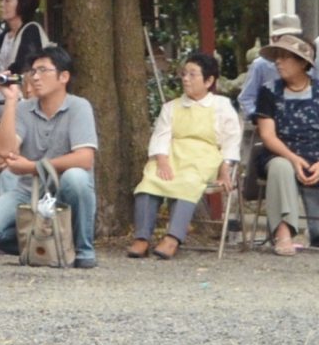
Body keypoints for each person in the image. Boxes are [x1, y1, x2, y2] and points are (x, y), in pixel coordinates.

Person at [0, 46, 99, 267]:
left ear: (63, 77)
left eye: (43, 70)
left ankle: (83, 250)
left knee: (76, 177)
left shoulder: (79, 107)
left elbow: (84, 158)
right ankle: (44, 245)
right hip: (28, 194)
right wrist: (11, 101)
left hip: (63, 194)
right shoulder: (23, 108)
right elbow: (6, 151)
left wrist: (33, 166)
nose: (35, 77)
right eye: (33, 71)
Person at [129, 50, 239, 259]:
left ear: (208, 81)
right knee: (149, 181)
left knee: (188, 181)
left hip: (203, 156)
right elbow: (160, 136)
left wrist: (225, 169)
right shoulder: (171, 107)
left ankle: (173, 238)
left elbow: (231, 140)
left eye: (192, 74)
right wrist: (162, 161)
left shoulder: (221, 106)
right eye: (184, 73)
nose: (186, 79)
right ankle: (142, 237)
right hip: (172, 154)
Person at [251, 31, 319, 256]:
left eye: (285, 57)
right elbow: (268, 136)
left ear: (302, 62)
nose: (278, 61)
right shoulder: (269, 91)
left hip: (316, 155)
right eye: (277, 56)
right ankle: (283, 234)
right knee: (281, 167)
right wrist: (293, 158)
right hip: (279, 154)